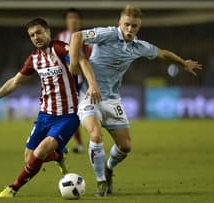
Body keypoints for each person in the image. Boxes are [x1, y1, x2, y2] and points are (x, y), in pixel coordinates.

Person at [69, 4, 202, 196]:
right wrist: (74, 62)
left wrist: (183, 63)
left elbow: (162, 53)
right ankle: (101, 182)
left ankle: (109, 167)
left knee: (125, 146)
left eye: (134, 26)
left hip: (113, 100)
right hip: (89, 95)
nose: (130, 29)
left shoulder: (139, 47)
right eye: (127, 25)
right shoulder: (107, 34)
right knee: (96, 135)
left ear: (138, 28)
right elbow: (77, 36)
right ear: (120, 23)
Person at [0, 18, 101, 198]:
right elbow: (15, 82)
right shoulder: (34, 59)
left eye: (39, 33)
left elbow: (81, 60)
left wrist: (92, 84)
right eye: (32, 35)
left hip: (68, 115)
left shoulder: (59, 48)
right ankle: (59, 156)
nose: (36, 37)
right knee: (30, 158)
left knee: (41, 151)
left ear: (48, 32)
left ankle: (13, 188)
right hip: (45, 115)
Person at [55, 8, 91, 153]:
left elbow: (89, 58)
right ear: (66, 21)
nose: (73, 20)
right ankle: (76, 144)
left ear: (80, 20)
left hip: (82, 80)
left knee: (80, 111)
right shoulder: (60, 36)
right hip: (64, 80)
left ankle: (89, 142)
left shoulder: (87, 37)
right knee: (67, 112)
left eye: (76, 17)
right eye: (70, 17)